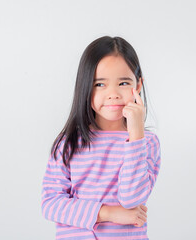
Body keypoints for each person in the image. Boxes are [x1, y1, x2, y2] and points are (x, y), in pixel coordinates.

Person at [41, 36, 161, 239]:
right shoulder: (69, 142)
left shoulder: (146, 142)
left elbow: (132, 199)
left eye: (123, 83)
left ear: (138, 86)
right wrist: (108, 213)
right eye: (99, 84)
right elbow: (50, 204)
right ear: (85, 87)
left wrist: (136, 135)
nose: (113, 94)